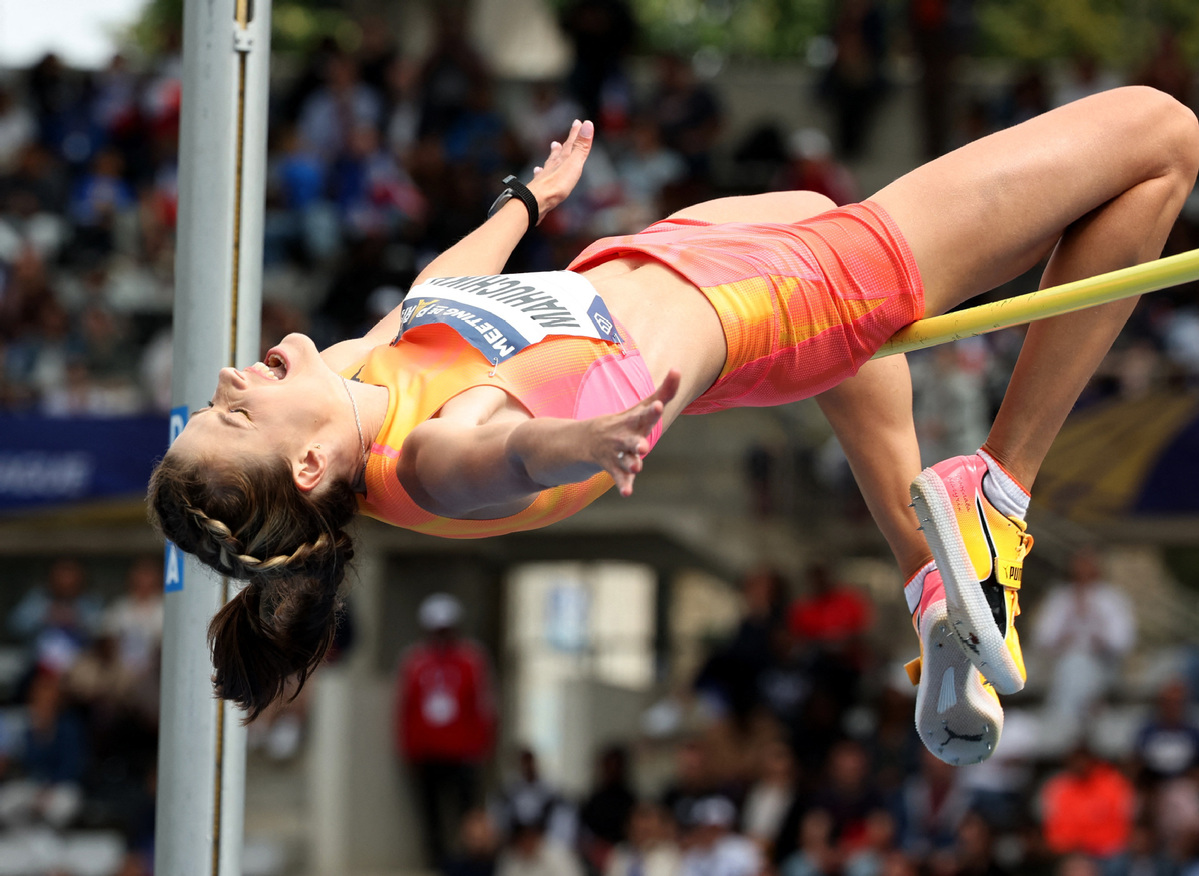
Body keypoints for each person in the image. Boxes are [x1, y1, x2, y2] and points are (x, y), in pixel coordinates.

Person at [149, 87, 1199, 767]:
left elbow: (431, 299)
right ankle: (997, 496)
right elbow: (497, 452)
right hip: (766, 303)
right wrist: (581, 443)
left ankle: (933, 583)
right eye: (234, 409)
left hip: (676, 256)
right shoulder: (426, 457)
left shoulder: (352, 386)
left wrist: (524, 200)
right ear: (308, 461)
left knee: (800, 215)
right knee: (1158, 138)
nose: (235, 373)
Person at [395, 593, 497, 866]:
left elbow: (483, 706)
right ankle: (436, 861)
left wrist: (481, 747)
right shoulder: (414, 660)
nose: (441, 636)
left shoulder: (472, 659)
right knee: (431, 812)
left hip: (463, 751)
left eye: (446, 629)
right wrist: (409, 749)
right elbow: (406, 708)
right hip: (427, 752)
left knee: (467, 810)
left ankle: (473, 859)